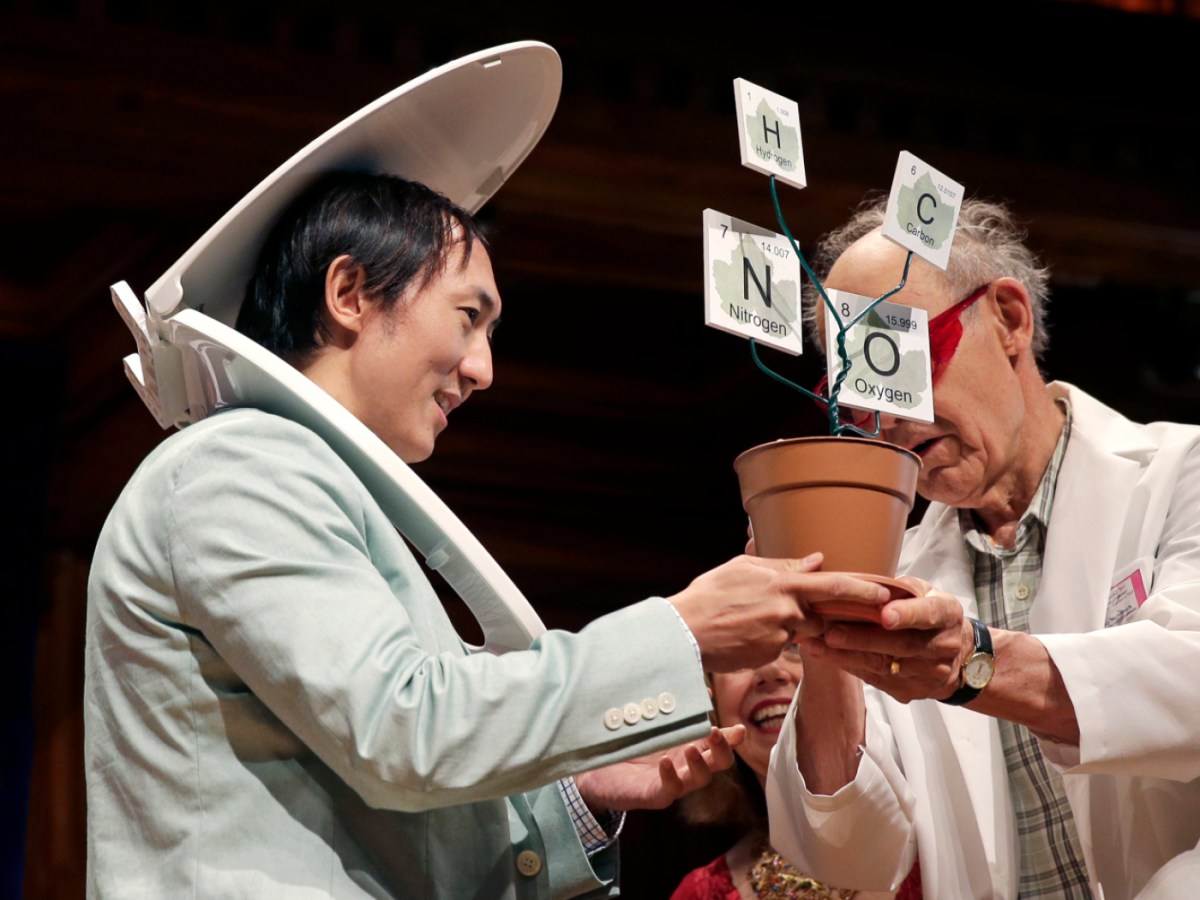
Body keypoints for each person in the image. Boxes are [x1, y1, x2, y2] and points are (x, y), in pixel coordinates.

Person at [83, 172, 893, 899]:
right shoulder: (242, 464)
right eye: (468, 318)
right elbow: (403, 732)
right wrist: (681, 629)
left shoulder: (311, 487)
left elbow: (389, 783)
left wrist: (575, 788)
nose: (482, 369)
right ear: (349, 292)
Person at [764, 196, 1200, 899]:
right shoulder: (897, 575)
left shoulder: (1183, 472)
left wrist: (974, 664)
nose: (886, 418)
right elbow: (846, 853)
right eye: (858, 394)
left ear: (1008, 319)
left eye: (900, 359)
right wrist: (824, 636)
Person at [670, 649, 915, 900]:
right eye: (741, 653)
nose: (769, 672)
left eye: (794, 646)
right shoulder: (700, 894)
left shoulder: (936, 828)